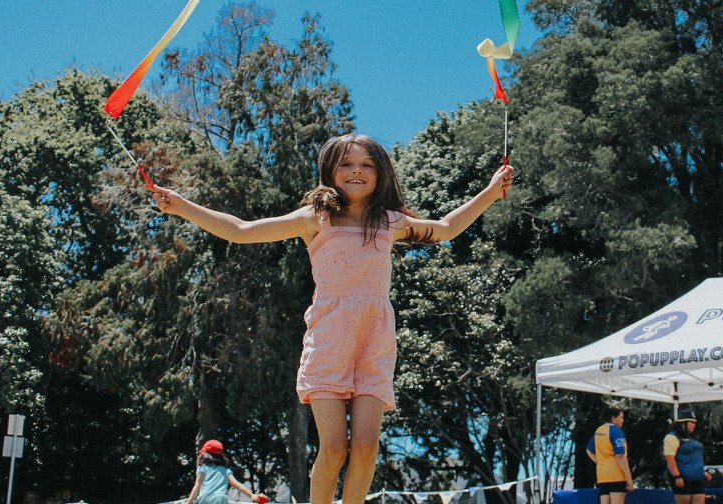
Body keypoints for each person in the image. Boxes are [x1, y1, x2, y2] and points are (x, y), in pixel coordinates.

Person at [152, 133, 514, 504]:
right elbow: (241, 231)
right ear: (330, 170)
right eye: (346, 164)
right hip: (329, 339)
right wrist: (182, 206)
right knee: (335, 448)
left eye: (366, 165)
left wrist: (490, 190)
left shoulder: (391, 222)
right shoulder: (316, 219)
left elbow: (448, 228)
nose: (356, 171)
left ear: (380, 173)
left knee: (367, 447)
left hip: (375, 341)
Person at [185, 440, 266, 504]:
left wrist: (188, 502)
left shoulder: (202, 468)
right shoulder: (225, 470)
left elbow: (197, 485)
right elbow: (236, 484)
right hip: (221, 499)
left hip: (204, 499)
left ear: (204, 454)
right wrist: (252, 495)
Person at [586, 406, 635, 504]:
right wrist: (629, 478)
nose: (623, 420)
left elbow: (589, 450)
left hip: (602, 475)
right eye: (621, 417)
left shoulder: (599, 430)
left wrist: (600, 462)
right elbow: (620, 456)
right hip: (616, 474)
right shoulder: (616, 431)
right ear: (613, 418)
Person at [663, 410, 710, 504]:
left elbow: (694, 457)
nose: (694, 425)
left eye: (694, 423)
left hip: (697, 477)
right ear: (683, 423)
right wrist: (677, 476)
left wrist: (702, 471)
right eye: (691, 422)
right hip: (683, 477)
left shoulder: (691, 438)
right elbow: (669, 457)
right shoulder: (672, 437)